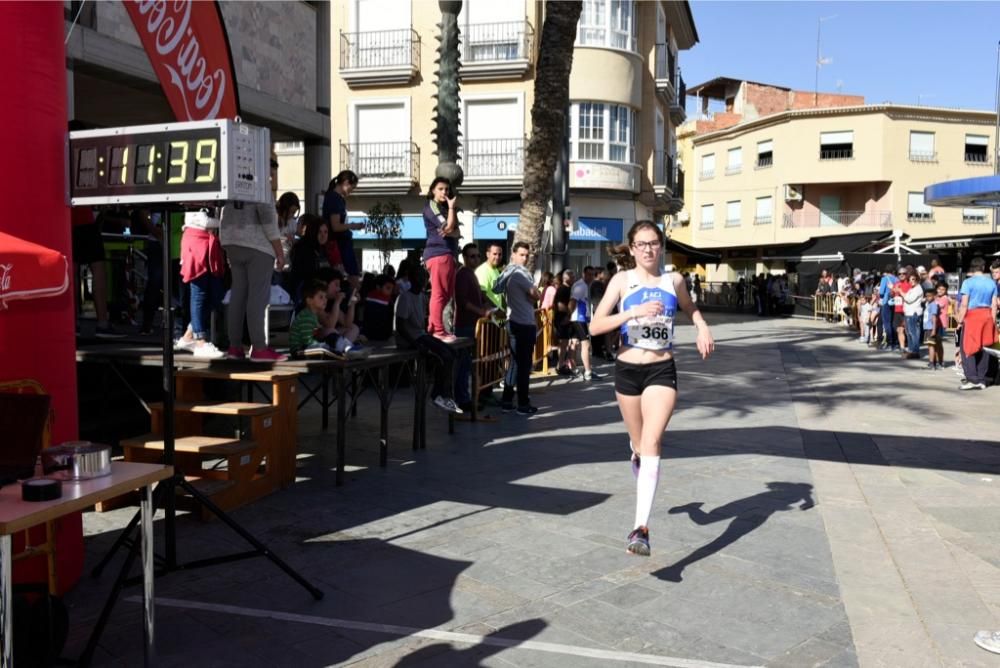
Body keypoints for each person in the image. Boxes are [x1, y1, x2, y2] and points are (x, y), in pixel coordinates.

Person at [590, 220, 714, 557]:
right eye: (641, 244)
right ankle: (636, 449)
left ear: (661, 246)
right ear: (631, 249)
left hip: (661, 369)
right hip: (627, 371)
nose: (648, 249)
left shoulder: (673, 280)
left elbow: (690, 308)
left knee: (654, 440)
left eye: (654, 243)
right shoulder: (622, 281)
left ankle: (640, 529)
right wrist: (631, 312)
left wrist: (702, 327)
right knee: (641, 445)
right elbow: (595, 325)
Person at [219, 199, 287, 361]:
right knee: (257, 297)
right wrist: (280, 252)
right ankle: (259, 347)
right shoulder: (260, 180)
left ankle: (234, 347)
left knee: (238, 295)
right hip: (258, 245)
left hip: (231, 241)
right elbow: (268, 219)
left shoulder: (233, 177)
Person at [395, 265, 462, 414]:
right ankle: (438, 395)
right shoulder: (405, 297)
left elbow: (423, 322)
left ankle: (442, 392)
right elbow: (400, 326)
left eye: (423, 278)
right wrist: (415, 344)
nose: (421, 281)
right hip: (410, 338)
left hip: (421, 334)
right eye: (418, 277)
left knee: (452, 352)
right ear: (411, 279)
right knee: (443, 356)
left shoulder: (422, 296)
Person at [494, 241, 541, 415]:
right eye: (521, 254)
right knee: (523, 365)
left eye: (527, 255)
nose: (525, 258)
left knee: (514, 363)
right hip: (523, 323)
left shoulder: (508, 273)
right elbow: (536, 295)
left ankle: (507, 400)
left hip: (513, 321)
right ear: (513, 254)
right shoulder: (520, 274)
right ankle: (523, 403)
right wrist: (535, 291)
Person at [174, 209, 225, 359]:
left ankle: (189, 335)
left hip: (208, 243)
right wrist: (226, 223)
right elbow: (202, 221)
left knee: (215, 296)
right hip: (196, 242)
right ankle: (200, 340)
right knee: (199, 293)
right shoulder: (195, 200)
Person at [72, 206, 126, 338]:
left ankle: (73, 323)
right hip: (84, 219)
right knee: (97, 268)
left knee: (72, 270)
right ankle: (102, 323)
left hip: (69, 217)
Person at [454, 243, 496, 411]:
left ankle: (469, 397)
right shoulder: (463, 275)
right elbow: (463, 302)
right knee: (463, 366)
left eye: (477, 256)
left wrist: (490, 308)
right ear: (464, 258)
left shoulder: (471, 274)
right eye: (472, 256)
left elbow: (479, 297)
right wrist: (482, 312)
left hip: (474, 325)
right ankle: (462, 400)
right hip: (465, 326)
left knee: (469, 365)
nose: (476, 259)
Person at [422, 177, 460, 342]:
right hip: (438, 254)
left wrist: (451, 228)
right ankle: (437, 330)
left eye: (447, 189)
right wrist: (452, 208)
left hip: (448, 253)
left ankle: (433, 327)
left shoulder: (444, 208)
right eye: (441, 189)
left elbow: (456, 232)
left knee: (445, 294)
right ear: (433, 190)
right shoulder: (432, 207)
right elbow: (449, 227)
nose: (444, 192)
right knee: (438, 294)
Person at [289, 280, 365, 359]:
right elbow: (307, 341)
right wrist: (324, 345)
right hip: (300, 352)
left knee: (330, 338)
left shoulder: (311, 315)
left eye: (325, 297)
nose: (325, 300)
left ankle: (346, 349)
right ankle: (344, 350)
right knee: (328, 346)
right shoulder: (306, 317)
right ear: (309, 300)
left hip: (307, 349)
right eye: (321, 297)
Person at [956, 256, 998, 390]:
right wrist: (993, 322)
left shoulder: (968, 283)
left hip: (972, 316)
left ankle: (972, 379)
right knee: (985, 348)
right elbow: (994, 305)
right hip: (987, 316)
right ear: (983, 267)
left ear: (972, 268)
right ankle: (982, 379)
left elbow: (964, 304)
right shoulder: (991, 283)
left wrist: (960, 320)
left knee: (968, 348)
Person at [321, 170, 364, 288]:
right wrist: (353, 226)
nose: (351, 191)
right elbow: (336, 226)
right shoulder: (335, 199)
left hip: (340, 244)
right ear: (345, 183)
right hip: (340, 245)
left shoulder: (333, 197)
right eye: (352, 187)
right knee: (352, 279)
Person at [289, 214, 332, 307]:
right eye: (319, 232)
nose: (323, 235)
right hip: (306, 296)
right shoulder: (305, 249)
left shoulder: (322, 250)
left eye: (325, 232)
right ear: (313, 232)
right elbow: (308, 275)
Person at [569, 266, 604, 381]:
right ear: (584, 274)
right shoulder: (580, 286)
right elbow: (573, 301)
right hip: (579, 318)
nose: (590, 277)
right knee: (586, 345)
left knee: (574, 342)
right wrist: (568, 316)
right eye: (588, 274)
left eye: (592, 275)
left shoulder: (587, 285)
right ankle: (588, 372)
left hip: (582, 318)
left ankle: (573, 368)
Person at [553, 269, 576, 375]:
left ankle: (563, 364)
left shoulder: (568, 289)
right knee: (563, 343)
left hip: (565, 319)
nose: (574, 279)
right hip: (562, 319)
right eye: (572, 277)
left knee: (566, 343)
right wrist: (569, 314)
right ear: (566, 278)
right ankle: (560, 365)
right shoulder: (563, 289)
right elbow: (559, 305)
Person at [275, 191, 300, 275]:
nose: (292, 215)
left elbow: (296, 238)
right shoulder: (274, 220)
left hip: (287, 262)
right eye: (291, 212)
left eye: (294, 212)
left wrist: (293, 240)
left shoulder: (292, 222)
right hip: (275, 261)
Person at [902, 271, 924, 360]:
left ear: (917, 279)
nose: (911, 281)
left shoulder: (918, 289)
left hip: (913, 313)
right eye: (909, 280)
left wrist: (900, 291)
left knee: (913, 333)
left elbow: (908, 299)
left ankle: (915, 351)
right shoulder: (912, 288)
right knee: (909, 333)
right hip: (909, 313)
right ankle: (911, 350)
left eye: (913, 279)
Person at [476, 242, 504, 310]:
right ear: (488, 254)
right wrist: (496, 309)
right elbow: (481, 295)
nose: (497, 257)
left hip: (496, 316)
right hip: (488, 315)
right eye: (494, 254)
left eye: (499, 254)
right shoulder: (483, 271)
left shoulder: (495, 269)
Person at [922, 287, 942, 370]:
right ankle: (933, 362)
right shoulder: (928, 304)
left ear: (934, 296)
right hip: (927, 328)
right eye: (926, 296)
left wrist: (934, 329)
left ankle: (932, 363)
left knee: (931, 346)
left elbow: (934, 317)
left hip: (931, 328)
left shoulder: (933, 305)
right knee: (930, 345)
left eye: (930, 296)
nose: (928, 298)